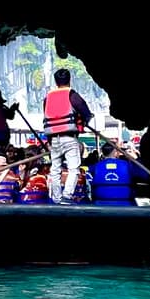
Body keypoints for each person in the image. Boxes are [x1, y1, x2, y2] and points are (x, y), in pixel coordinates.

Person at [43, 68, 93, 204]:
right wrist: (84, 121)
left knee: (55, 169)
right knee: (73, 168)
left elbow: (46, 116)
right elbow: (86, 112)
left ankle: (56, 198)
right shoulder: (72, 95)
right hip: (69, 137)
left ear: (56, 82)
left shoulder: (48, 97)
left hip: (53, 139)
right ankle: (66, 196)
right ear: (70, 80)